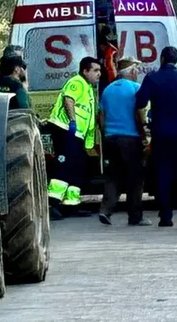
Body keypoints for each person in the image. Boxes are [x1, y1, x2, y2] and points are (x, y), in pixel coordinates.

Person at [136, 46, 177, 227]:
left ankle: (166, 216)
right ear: (176, 60)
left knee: (163, 173)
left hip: (161, 133)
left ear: (161, 59)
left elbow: (140, 102)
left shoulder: (153, 78)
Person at [98, 58, 151, 226]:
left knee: (113, 176)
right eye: (137, 70)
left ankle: (105, 210)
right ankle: (135, 217)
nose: (138, 73)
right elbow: (140, 113)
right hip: (131, 138)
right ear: (132, 71)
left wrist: (105, 134)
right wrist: (144, 136)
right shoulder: (136, 88)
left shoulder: (107, 90)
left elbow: (101, 116)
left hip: (111, 138)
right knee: (135, 178)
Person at [47, 57, 101, 217]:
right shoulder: (77, 82)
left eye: (99, 71)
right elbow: (68, 100)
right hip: (65, 130)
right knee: (65, 167)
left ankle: (71, 205)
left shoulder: (88, 87)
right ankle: (52, 204)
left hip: (76, 135)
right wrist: (72, 121)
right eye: (95, 70)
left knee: (78, 167)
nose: (99, 74)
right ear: (85, 71)